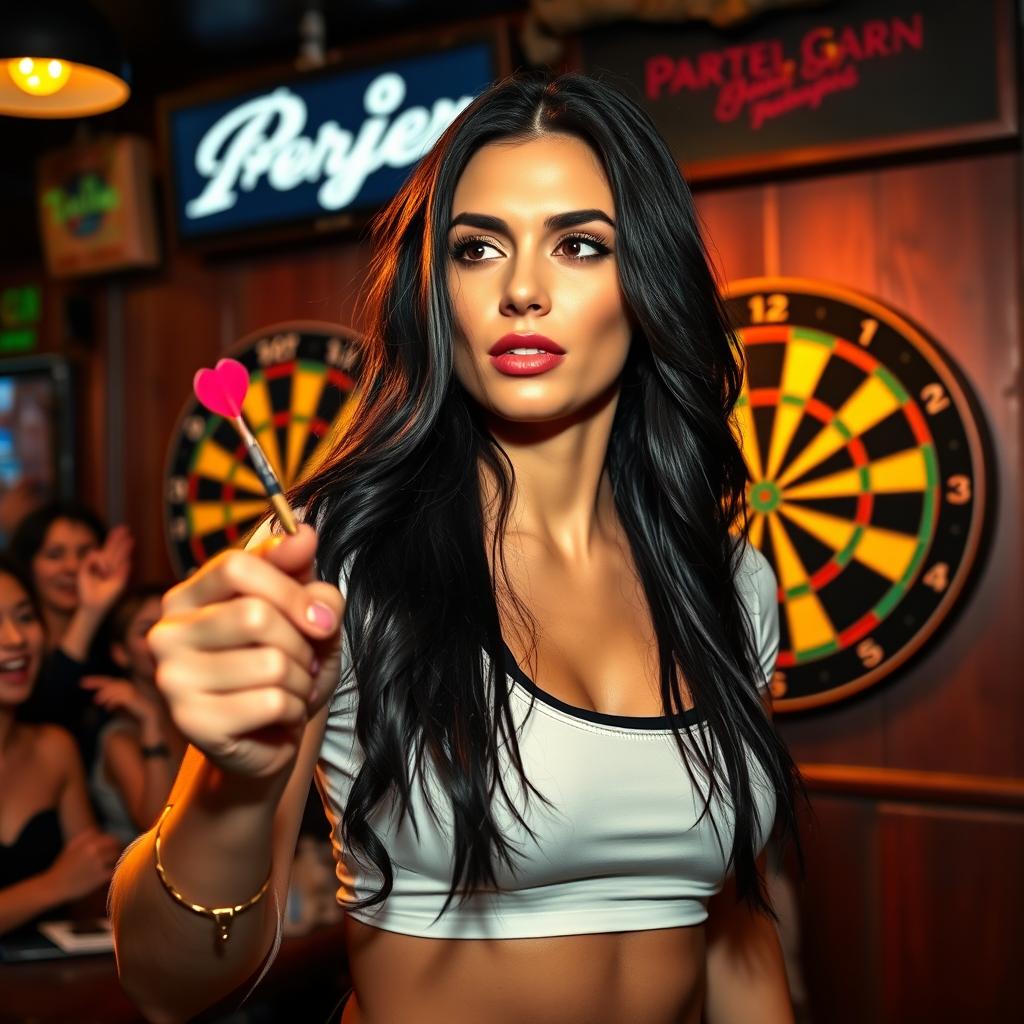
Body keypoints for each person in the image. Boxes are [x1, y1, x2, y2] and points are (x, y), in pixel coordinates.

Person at [110, 72, 803, 1024]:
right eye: (478, 249)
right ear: (437, 291)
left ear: (647, 279)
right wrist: (229, 781)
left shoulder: (729, 584)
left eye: (579, 245)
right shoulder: (338, 562)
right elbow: (168, 984)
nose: (522, 289)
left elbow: (735, 932)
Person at [0, 554, 121, 937]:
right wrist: (54, 885)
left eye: (24, 617)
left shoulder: (55, 749)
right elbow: (70, 878)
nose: (15, 639)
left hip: (49, 984)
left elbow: (96, 883)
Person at [8, 501, 133, 765]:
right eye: (55, 555)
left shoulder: (118, 649)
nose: (72, 567)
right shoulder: (14, 651)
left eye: (85, 552)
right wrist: (90, 613)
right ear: (28, 564)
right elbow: (44, 716)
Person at [84, 585, 185, 846]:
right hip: (143, 882)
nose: (161, 637)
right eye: (146, 629)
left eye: (168, 623)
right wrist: (150, 723)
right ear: (121, 653)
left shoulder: (189, 716)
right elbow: (155, 825)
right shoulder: (119, 737)